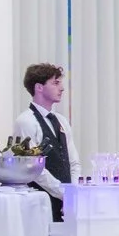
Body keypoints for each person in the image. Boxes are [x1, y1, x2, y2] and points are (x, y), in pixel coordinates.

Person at [14, 64, 74, 217]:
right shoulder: (26, 121)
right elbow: (34, 168)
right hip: (40, 203)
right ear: (39, 87)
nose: (62, 88)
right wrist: (63, 193)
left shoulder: (62, 121)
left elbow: (73, 162)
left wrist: (73, 193)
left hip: (66, 201)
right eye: (55, 83)